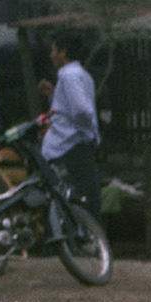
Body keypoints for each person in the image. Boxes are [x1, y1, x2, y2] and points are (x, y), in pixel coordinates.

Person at [37, 34, 101, 216]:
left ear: (63, 52)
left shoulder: (69, 75)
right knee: (83, 201)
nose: (51, 55)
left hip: (71, 148)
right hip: (75, 146)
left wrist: (82, 132)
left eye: (53, 50)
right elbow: (70, 108)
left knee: (77, 203)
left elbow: (81, 111)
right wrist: (53, 94)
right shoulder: (79, 75)